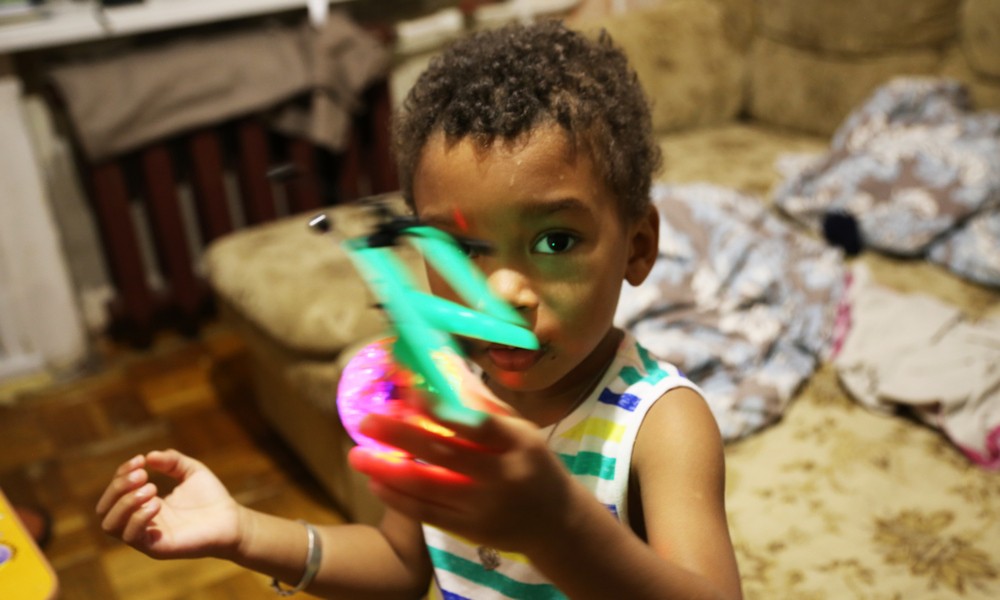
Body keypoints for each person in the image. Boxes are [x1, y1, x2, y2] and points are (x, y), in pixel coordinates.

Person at [96, 20, 743, 600]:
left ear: (638, 246)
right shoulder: (442, 391)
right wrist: (242, 532)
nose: (498, 294)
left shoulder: (661, 427)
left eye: (555, 241)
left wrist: (558, 527)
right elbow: (400, 563)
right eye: (460, 249)